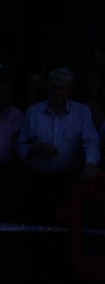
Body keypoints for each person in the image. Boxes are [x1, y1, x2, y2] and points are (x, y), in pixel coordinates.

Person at [17, 66, 101, 220]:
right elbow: (21, 145)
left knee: (68, 229)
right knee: (38, 223)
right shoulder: (33, 112)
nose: (58, 92)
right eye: (54, 87)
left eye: (62, 88)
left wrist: (91, 163)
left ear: (70, 89)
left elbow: (91, 141)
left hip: (70, 182)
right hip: (39, 182)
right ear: (48, 87)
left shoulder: (82, 112)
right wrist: (35, 148)